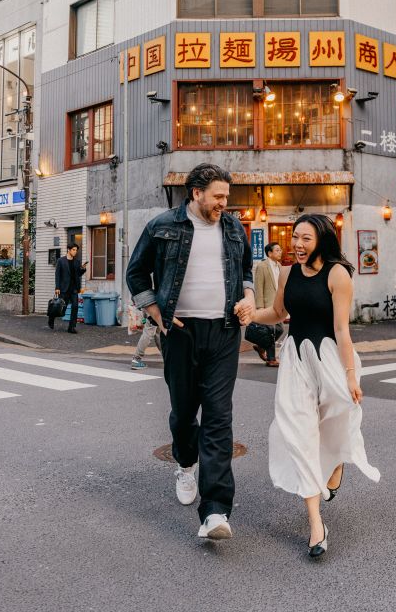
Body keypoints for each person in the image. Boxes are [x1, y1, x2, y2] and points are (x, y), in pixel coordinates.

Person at [126, 163, 255, 541]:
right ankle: (185, 462)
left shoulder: (232, 227)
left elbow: (246, 270)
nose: (224, 203)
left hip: (225, 331)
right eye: (218, 196)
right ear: (196, 193)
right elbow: (136, 273)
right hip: (179, 332)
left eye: (226, 197)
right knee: (184, 413)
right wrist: (155, 311)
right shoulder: (163, 225)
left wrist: (248, 298)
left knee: (218, 417)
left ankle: (215, 511)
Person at [251, 214, 380, 559]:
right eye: (295, 237)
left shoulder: (338, 275)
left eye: (306, 238)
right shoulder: (287, 273)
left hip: (330, 359)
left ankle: (338, 461)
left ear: (321, 240)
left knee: (340, 415)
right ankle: (316, 524)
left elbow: (342, 330)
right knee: (299, 433)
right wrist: (250, 314)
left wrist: (351, 375)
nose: (298, 244)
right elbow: (278, 312)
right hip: (295, 361)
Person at [252, 242, 284, 366]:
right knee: (272, 330)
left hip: (278, 304)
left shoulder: (280, 266)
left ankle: (261, 346)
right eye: (277, 250)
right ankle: (271, 359)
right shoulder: (262, 266)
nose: (280, 252)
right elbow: (258, 287)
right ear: (270, 253)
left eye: (280, 250)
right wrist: (259, 307)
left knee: (280, 329)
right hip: (267, 304)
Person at [50, 243, 87, 333]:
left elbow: (78, 274)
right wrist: (57, 287)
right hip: (64, 288)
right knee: (61, 309)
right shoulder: (61, 261)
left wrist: (83, 269)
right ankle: (51, 318)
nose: (75, 252)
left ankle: (71, 327)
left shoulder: (77, 261)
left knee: (75, 307)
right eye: (73, 250)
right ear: (68, 250)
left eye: (76, 250)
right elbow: (57, 274)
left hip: (74, 289)